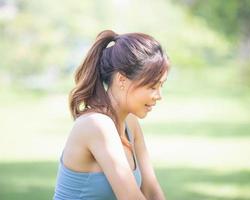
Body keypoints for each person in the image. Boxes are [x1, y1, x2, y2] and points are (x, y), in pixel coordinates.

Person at [53, 30, 170, 200]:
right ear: (122, 80)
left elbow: (151, 191)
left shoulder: (131, 123)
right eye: (152, 86)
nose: (159, 95)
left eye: (161, 86)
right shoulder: (96, 125)